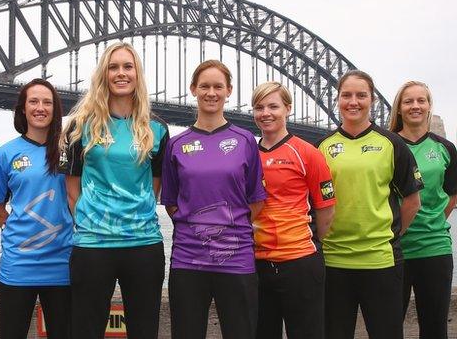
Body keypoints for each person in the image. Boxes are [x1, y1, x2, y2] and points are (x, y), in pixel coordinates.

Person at [60, 42, 168, 339]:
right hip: (93, 245)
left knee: (144, 330)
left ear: (137, 74)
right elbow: (72, 191)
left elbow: (154, 187)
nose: (121, 73)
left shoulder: (157, 128)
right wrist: (94, 223)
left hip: (143, 242)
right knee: (86, 330)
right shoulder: (78, 127)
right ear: (104, 74)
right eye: (113, 67)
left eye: (128, 66)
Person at [161, 60, 266, 339]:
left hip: (237, 259)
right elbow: (171, 202)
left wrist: (225, 227)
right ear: (193, 89)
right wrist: (201, 227)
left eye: (218, 86)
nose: (211, 92)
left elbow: (255, 201)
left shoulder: (244, 141)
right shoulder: (176, 144)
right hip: (188, 258)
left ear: (229, 90)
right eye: (204, 86)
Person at [316, 70, 423, 339]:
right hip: (333, 261)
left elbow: (412, 201)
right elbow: (314, 204)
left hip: (380, 261)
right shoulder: (321, 147)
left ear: (372, 99)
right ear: (337, 100)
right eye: (346, 95)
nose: (354, 102)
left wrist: (389, 235)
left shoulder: (392, 143)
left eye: (361, 95)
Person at [0, 78, 73, 339]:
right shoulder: (6, 154)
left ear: (55, 109)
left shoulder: (70, 148)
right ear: (22, 109)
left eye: (47, 102)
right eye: (33, 101)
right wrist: (21, 232)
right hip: (18, 263)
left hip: (63, 262)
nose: (40, 107)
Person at [251, 82, 335, 339]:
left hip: (299, 263)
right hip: (256, 263)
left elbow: (326, 208)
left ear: (288, 108)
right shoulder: (247, 154)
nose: (266, 113)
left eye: (273, 106)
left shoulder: (308, 153)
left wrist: (311, 243)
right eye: (259, 107)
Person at [388, 81, 457, 339]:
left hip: (434, 247)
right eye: (408, 101)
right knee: (390, 326)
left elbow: (452, 194)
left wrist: (432, 220)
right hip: (395, 249)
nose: (415, 106)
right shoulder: (388, 145)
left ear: (429, 105)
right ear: (399, 108)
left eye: (421, 100)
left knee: (435, 327)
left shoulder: (445, 148)